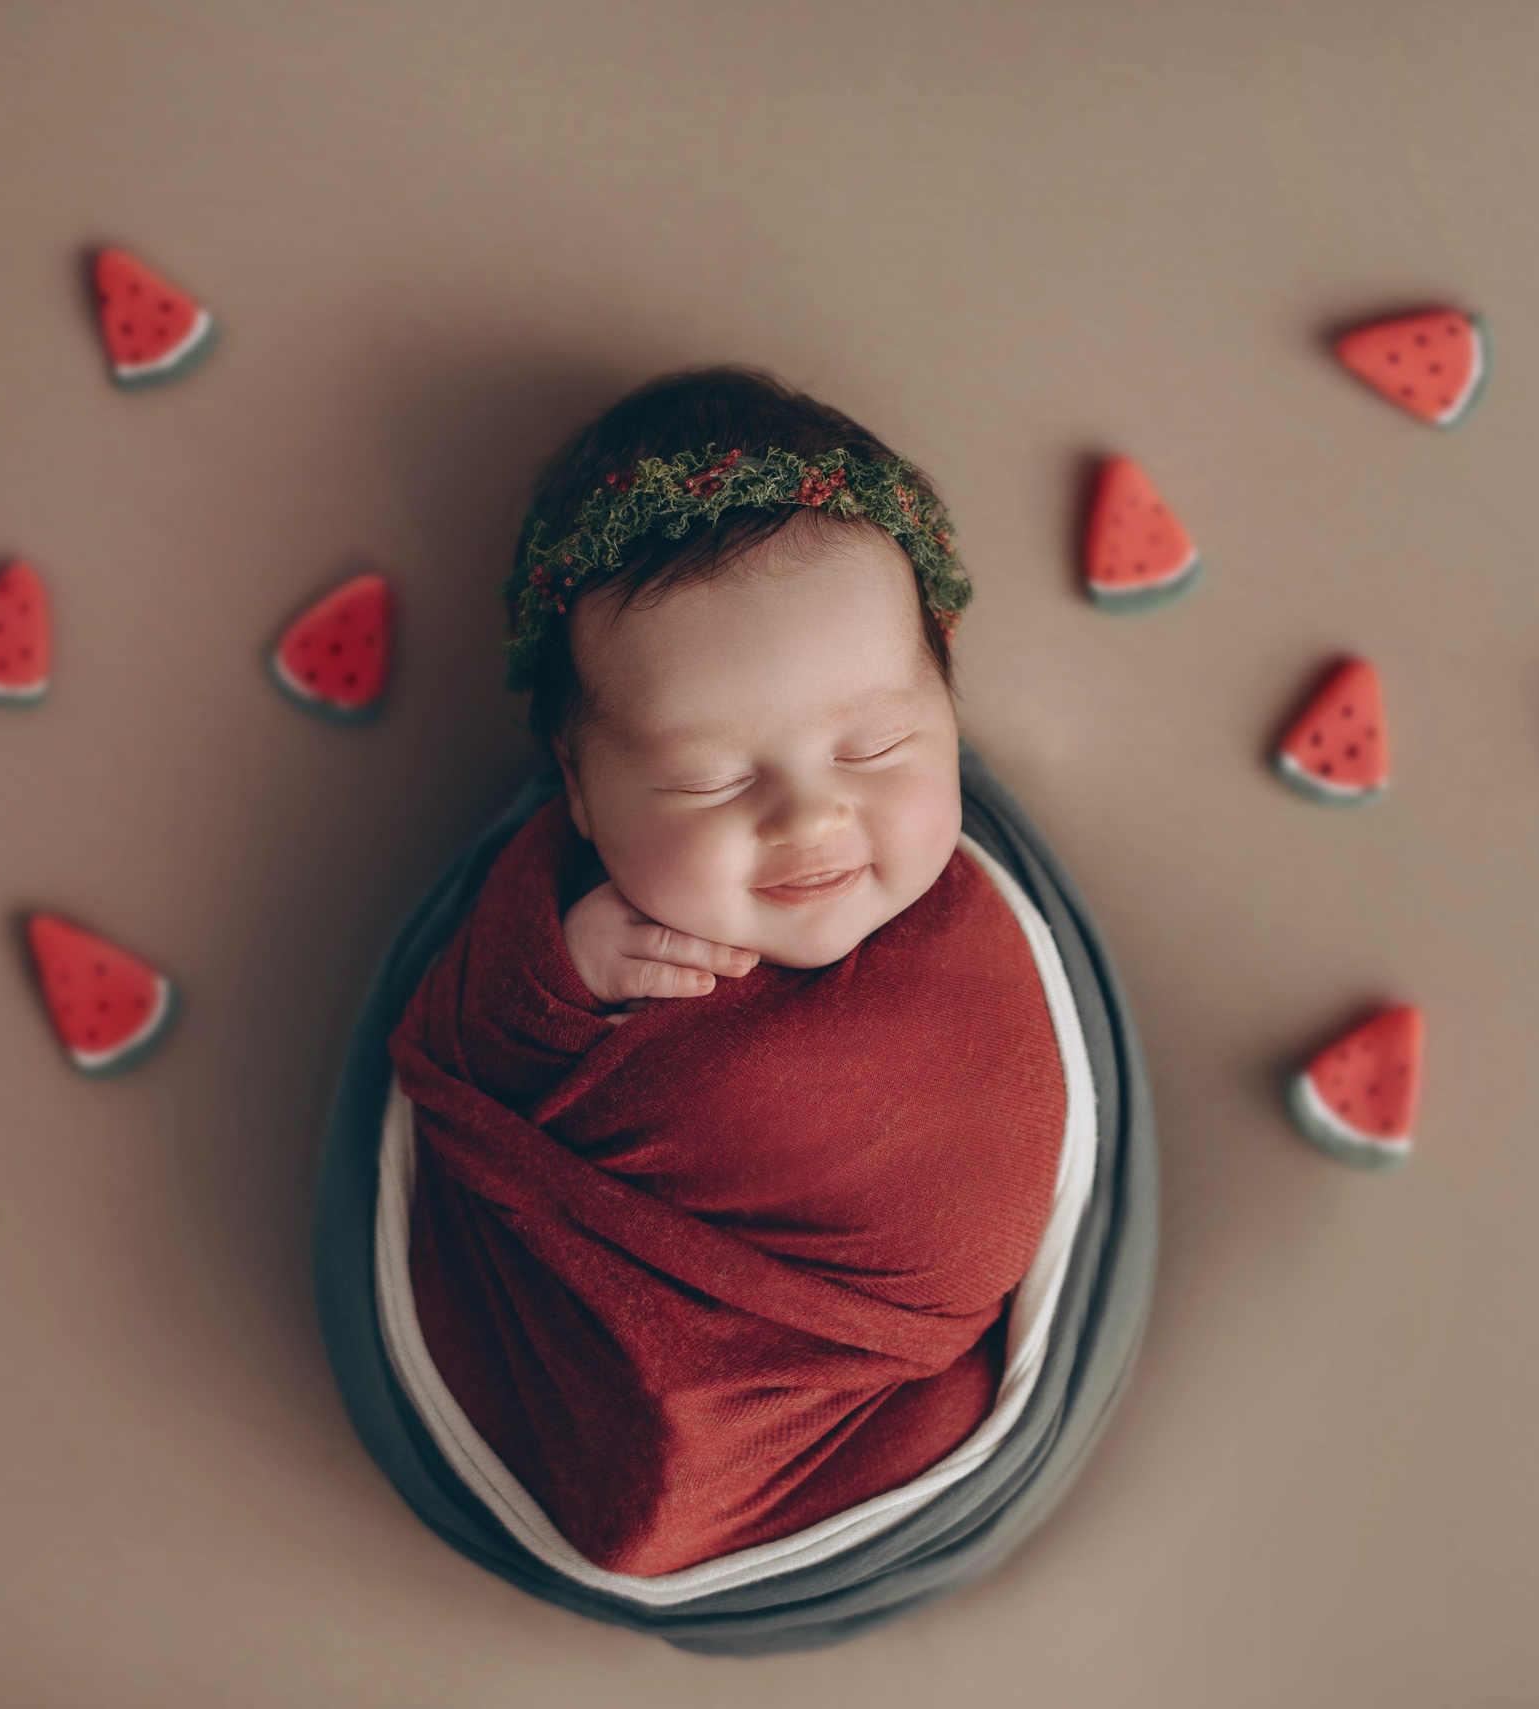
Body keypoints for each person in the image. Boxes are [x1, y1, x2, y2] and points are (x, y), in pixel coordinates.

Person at [380, 367, 1083, 1578]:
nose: (810, 815)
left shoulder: (976, 931)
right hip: (575, 1380)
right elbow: (460, 1064)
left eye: (877, 746)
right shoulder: (562, 920)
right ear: (583, 792)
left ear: (950, 711)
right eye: (710, 779)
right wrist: (551, 976)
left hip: (865, 1418)